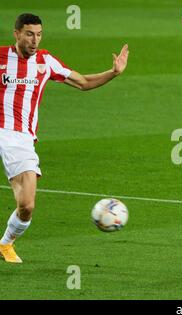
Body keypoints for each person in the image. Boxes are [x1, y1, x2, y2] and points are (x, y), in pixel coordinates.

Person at [0, 13, 129, 263]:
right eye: (29, 34)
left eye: (38, 34)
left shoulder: (45, 61)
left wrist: (113, 73)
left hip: (19, 137)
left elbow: (82, 82)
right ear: (16, 34)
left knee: (26, 205)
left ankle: (5, 244)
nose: (34, 39)